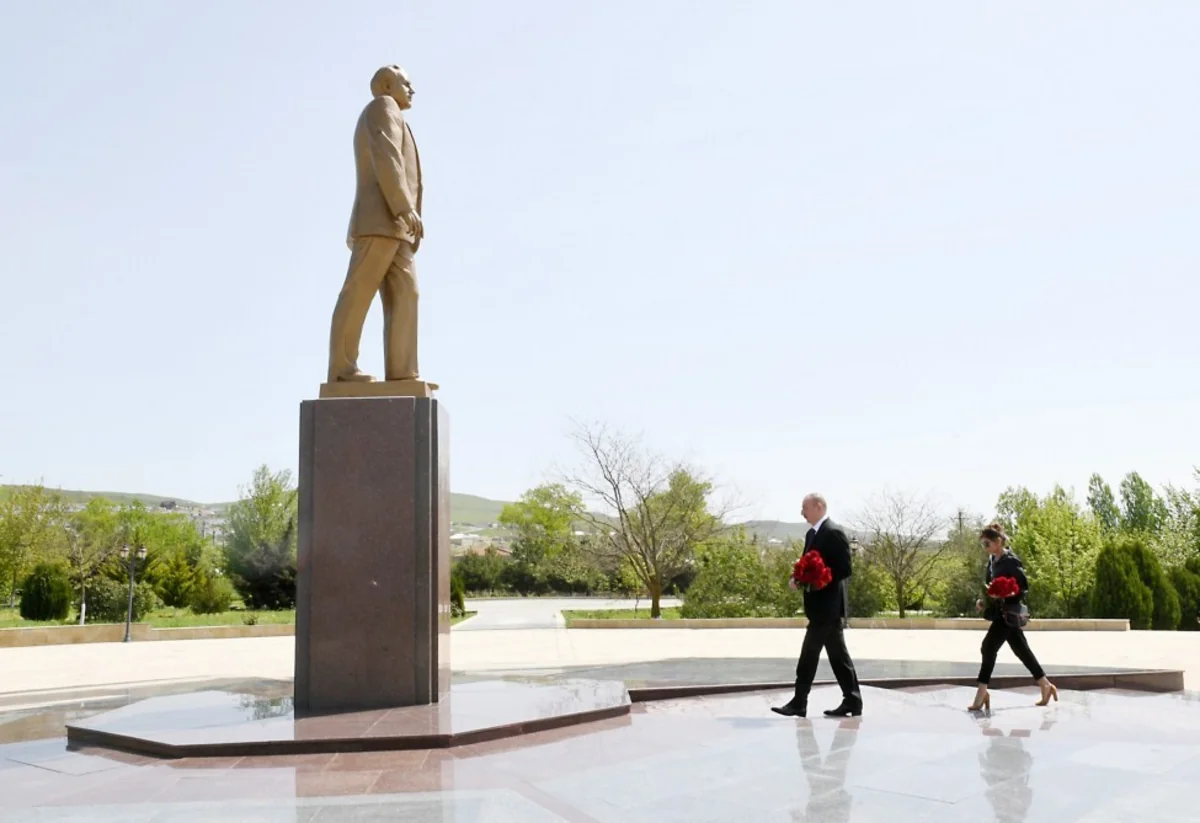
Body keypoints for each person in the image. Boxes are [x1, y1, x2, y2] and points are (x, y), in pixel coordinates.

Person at [327, 64, 425, 385]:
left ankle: (402, 373)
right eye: (405, 83)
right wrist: (403, 206)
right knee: (359, 292)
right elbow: (387, 157)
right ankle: (342, 370)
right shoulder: (383, 108)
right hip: (380, 220)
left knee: (406, 293)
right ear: (385, 86)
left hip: (397, 227)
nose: (411, 90)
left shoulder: (397, 115)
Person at [772, 493, 862, 718]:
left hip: (828, 608)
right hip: (819, 607)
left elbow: (844, 569)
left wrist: (820, 577)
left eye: (805, 508)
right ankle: (852, 700)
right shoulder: (812, 534)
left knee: (809, 654)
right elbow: (807, 564)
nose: (802, 513)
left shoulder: (833, 532)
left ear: (819, 507)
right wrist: (799, 578)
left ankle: (799, 702)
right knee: (838, 657)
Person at [968, 523, 1058, 712]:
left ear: (998, 541)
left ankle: (982, 691)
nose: (984, 548)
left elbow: (1022, 586)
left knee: (988, 647)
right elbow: (988, 586)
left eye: (987, 543)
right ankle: (1045, 684)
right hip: (999, 612)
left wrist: (1005, 594)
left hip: (1009, 612)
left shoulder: (1011, 560)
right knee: (1021, 649)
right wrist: (983, 600)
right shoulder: (992, 561)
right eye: (982, 544)